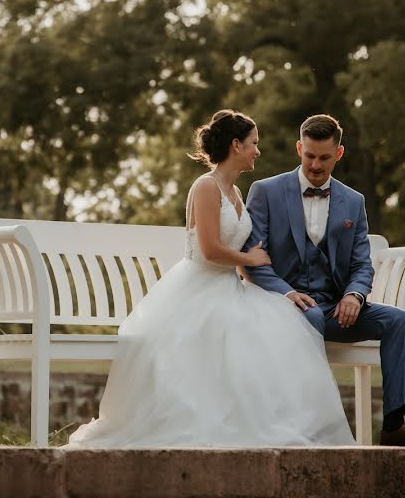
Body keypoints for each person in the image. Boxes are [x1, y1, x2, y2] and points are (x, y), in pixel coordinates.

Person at [65, 110, 355, 448]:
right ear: (236, 145)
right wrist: (250, 258)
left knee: (281, 325)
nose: (257, 151)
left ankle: (265, 423)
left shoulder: (235, 192)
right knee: (238, 335)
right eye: (253, 144)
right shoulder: (206, 187)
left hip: (230, 287)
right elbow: (209, 249)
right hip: (198, 288)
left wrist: (279, 283)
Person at [243, 113, 405, 447]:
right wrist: (287, 293)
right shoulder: (265, 192)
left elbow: (362, 265)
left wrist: (354, 296)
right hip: (283, 307)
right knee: (310, 316)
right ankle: (308, 425)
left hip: (335, 307)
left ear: (339, 153)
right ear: (299, 149)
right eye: (309, 156)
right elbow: (254, 261)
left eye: (323, 157)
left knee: (397, 320)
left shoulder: (354, 200)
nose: (316, 165)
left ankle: (394, 426)